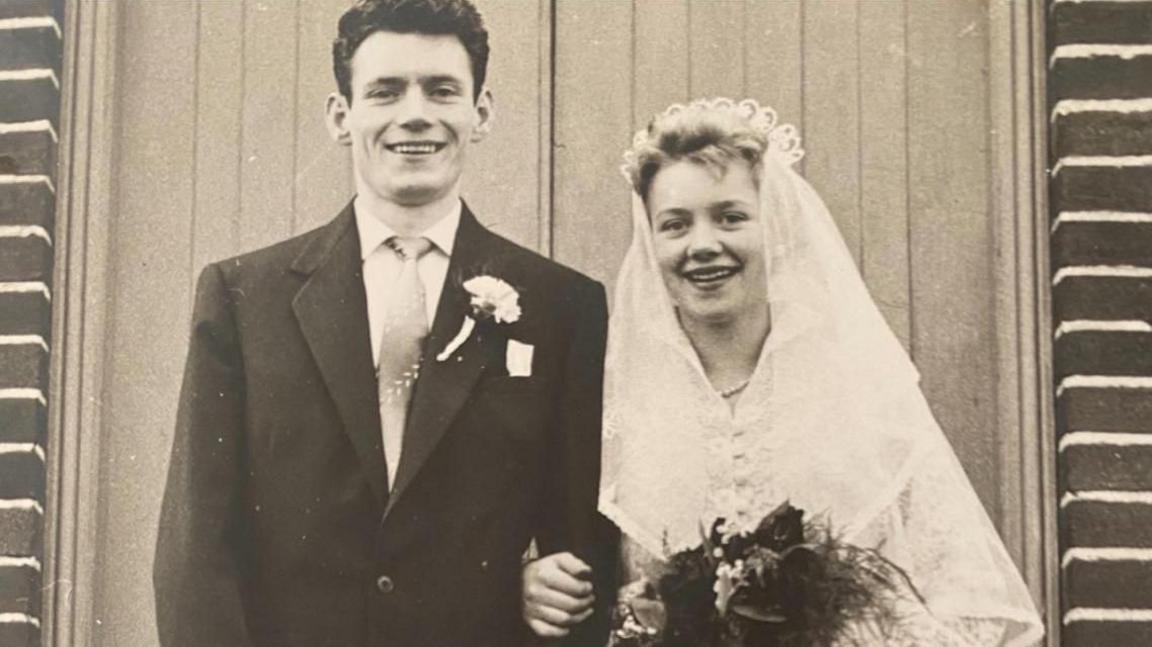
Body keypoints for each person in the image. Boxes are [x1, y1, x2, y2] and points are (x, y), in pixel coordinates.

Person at [154, 1, 613, 645]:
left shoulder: (562, 306)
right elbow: (196, 549)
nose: (415, 113)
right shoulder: (242, 298)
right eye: (385, 91)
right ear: (342, 117)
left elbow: (578, 557)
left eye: (442, 89)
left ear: (481, 113)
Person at [523, 98, 1044, 645]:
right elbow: (566, 572)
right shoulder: (614, 404)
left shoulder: (860, 395)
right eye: (675, 224)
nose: (703, 246)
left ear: (775, 226)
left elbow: (978, 606)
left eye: (730, 217)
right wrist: (531, 583)